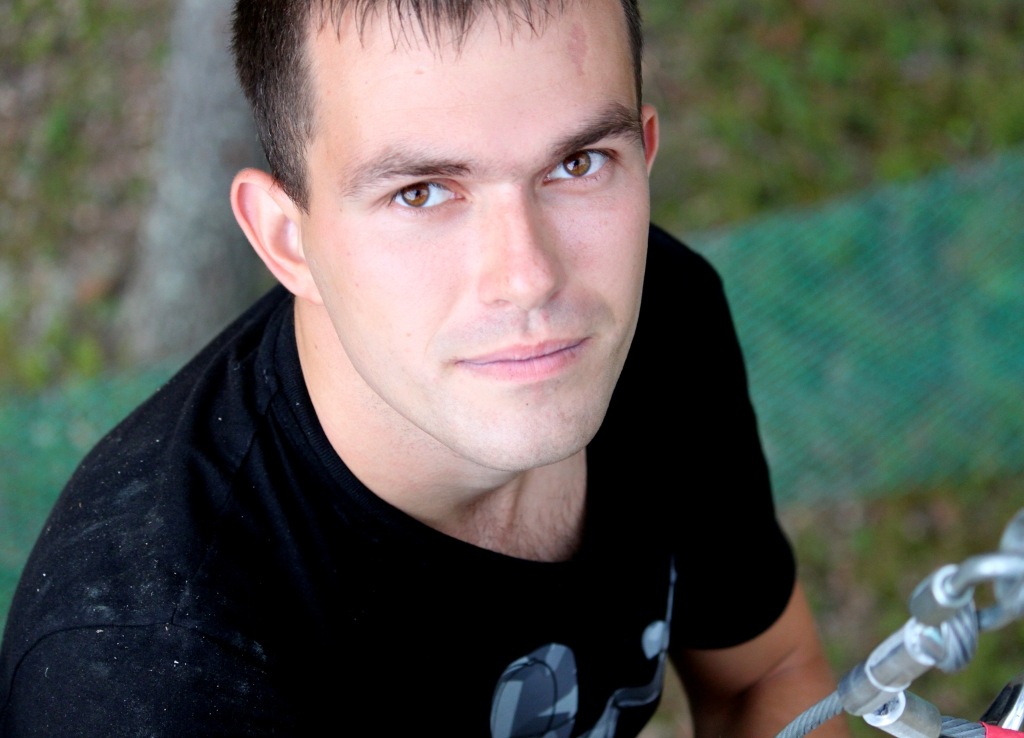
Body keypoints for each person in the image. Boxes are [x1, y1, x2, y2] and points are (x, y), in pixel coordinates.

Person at [0, 0, 850, 735]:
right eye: (421, 193)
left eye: (578, 163)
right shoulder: (160, 677)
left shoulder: (660, 316)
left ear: (645, 154)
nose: (529, 279)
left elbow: (764, 677)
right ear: (286, 239)